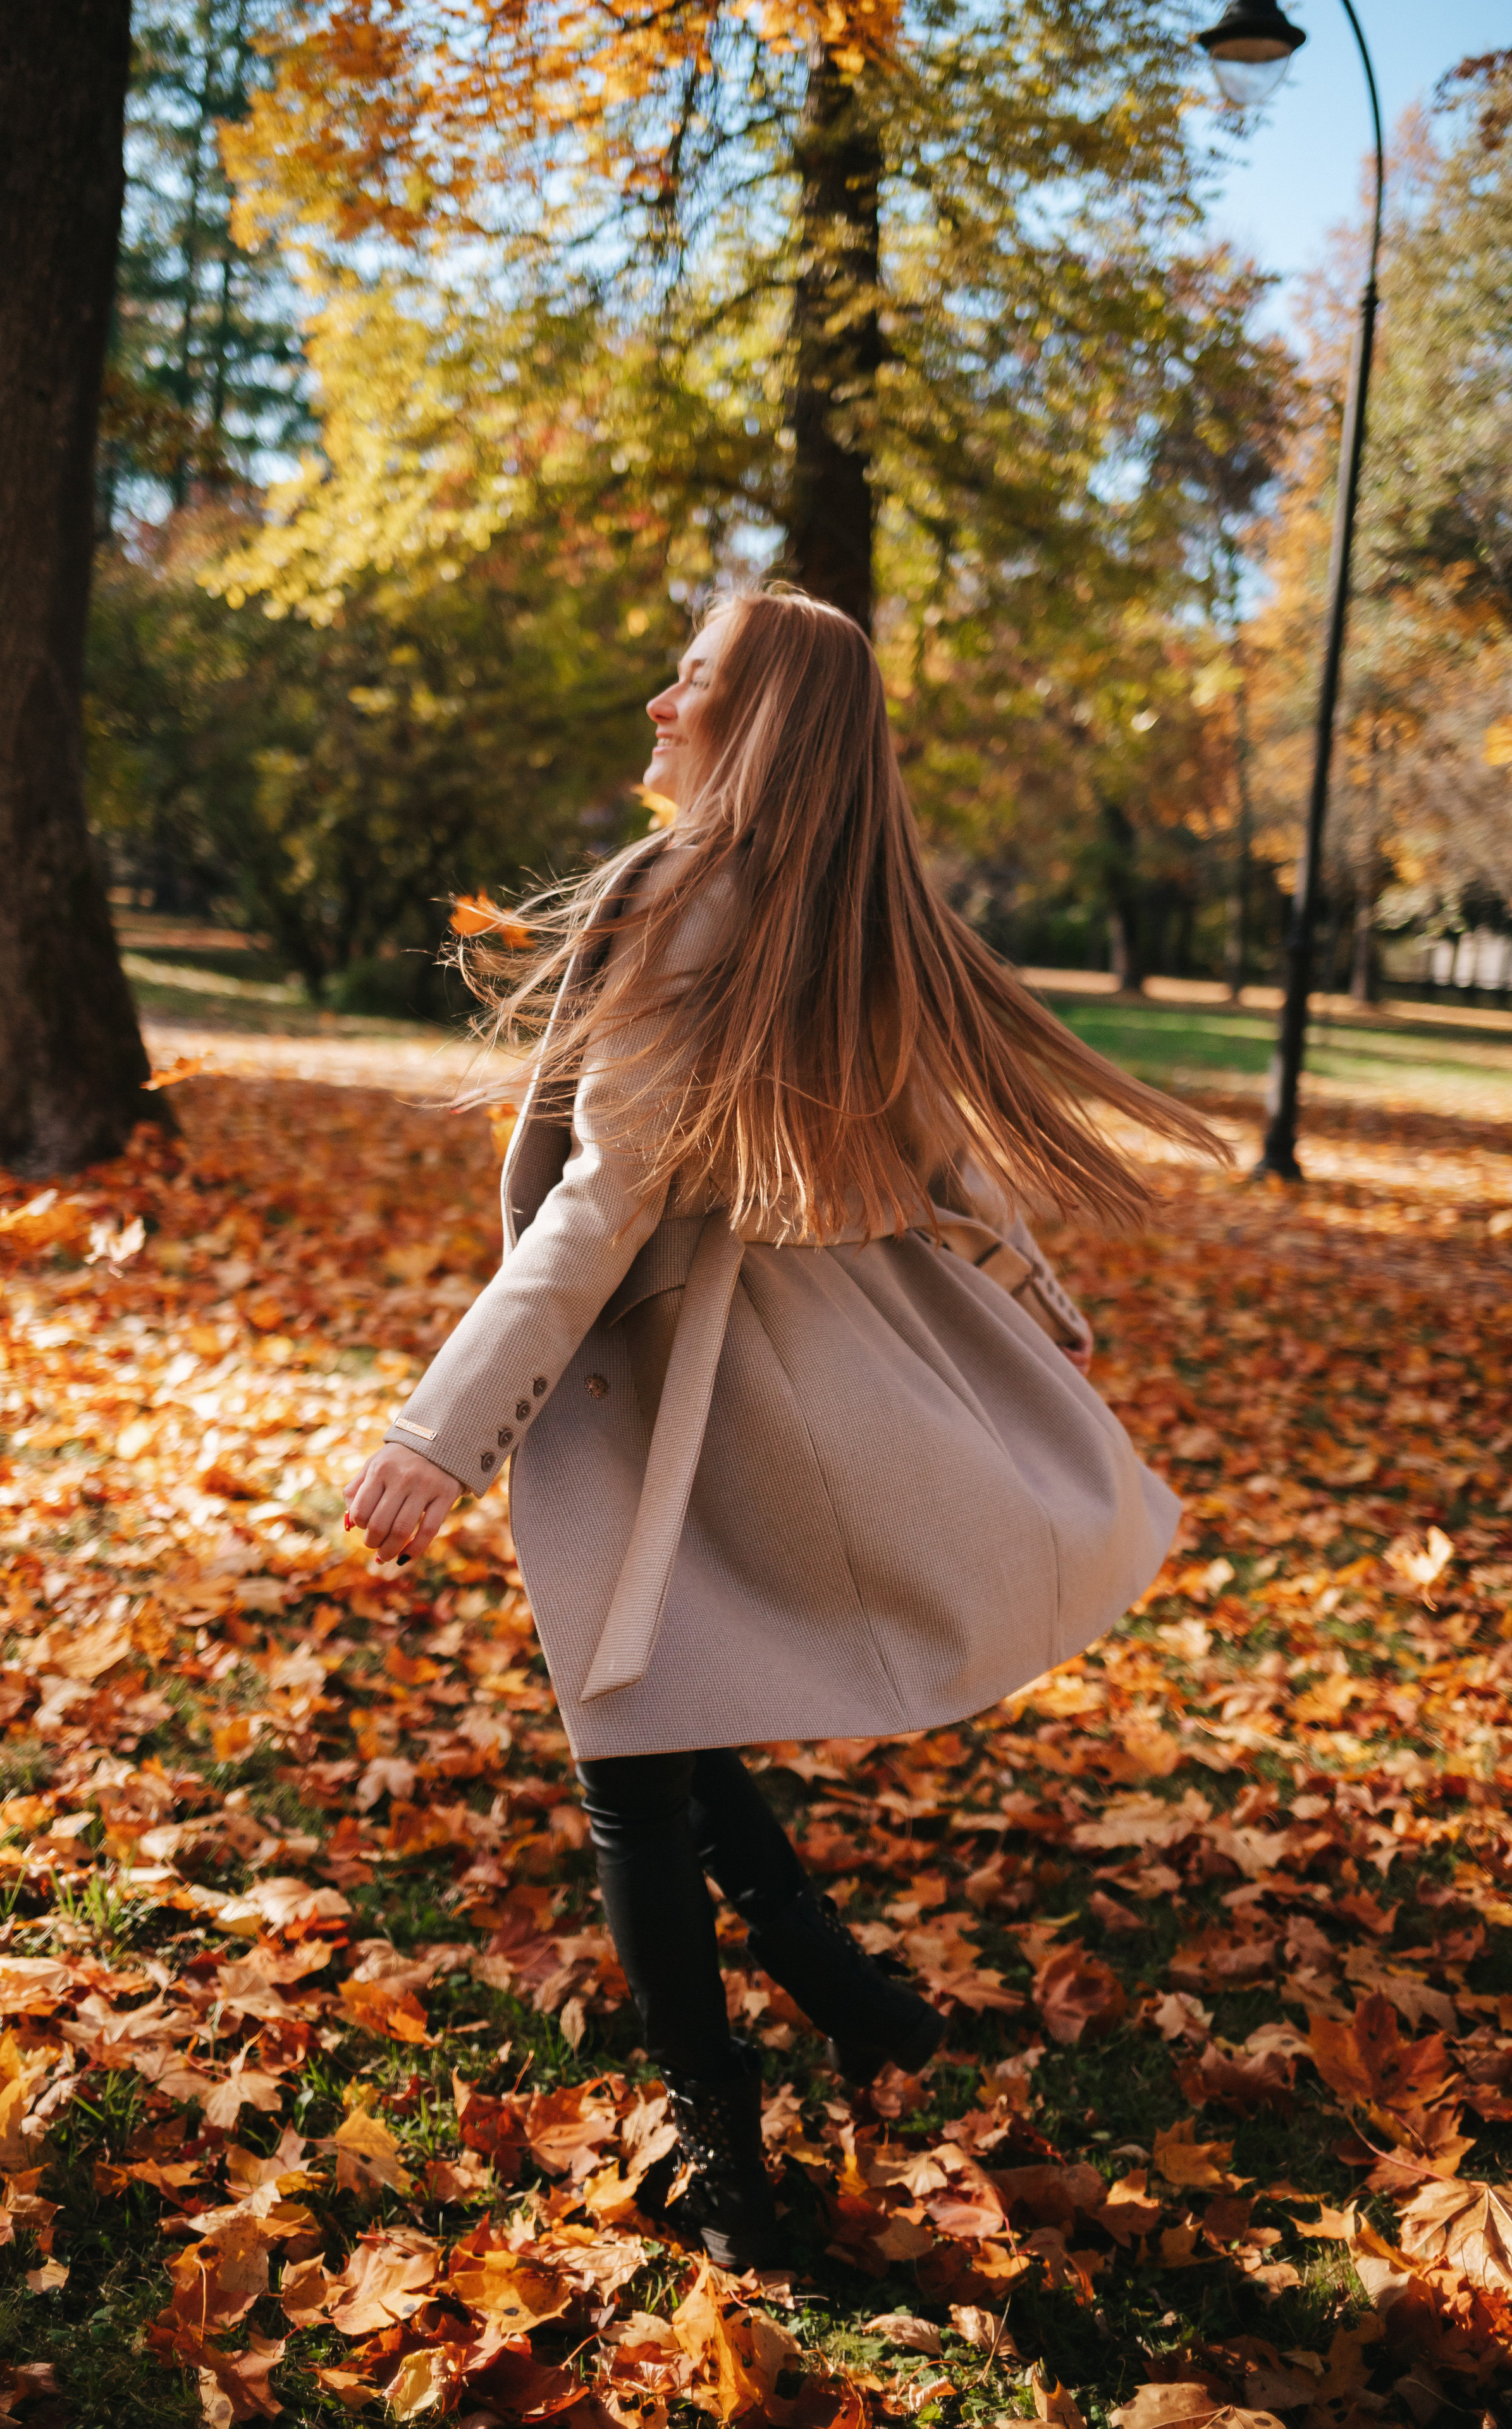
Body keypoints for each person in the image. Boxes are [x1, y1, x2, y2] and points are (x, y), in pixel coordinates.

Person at [344, 586, 1224, 2270]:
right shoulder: (842, 902)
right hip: (740, 1360)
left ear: (760, 726)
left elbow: (606, 1203)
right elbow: (951, 1159)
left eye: (693, 683)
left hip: (669, 1375)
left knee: (629, 1757)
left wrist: (441, 1433)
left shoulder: (696, 899)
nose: (659, 705)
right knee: (660, 1704)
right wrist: (1036, 1296)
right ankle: (843, 1985)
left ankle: (724, 2145)